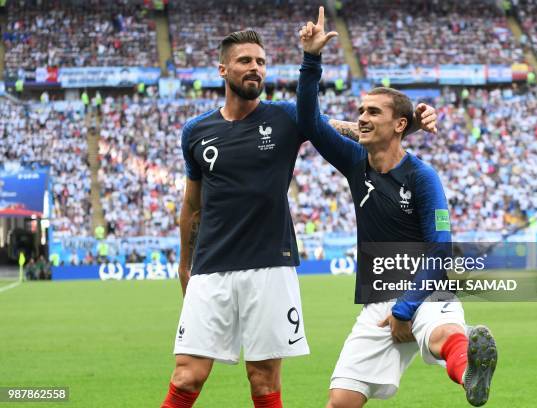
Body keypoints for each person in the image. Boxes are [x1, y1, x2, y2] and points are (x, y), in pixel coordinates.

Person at [161, 28, 437, 408]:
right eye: (245, 61)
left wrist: (410, 122)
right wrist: (184, 263)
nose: (255, 68)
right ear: (222, 69)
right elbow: (192, 205)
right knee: (187, 376)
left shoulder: (286, 117)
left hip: (270, 266)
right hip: (211, 267)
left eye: (260, 61)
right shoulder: (196, 132)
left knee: (263, 381)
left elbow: (344, 130)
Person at [297, 8, 497, 407]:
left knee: (443, 338)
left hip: (425, 293)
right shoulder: (355, 162)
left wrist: (406, 309)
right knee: (340, 401)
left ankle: (471, 367)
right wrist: (311, 59)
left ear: (400, 124)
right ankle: (464, 361)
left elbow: (440, 249)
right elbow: (309, 120)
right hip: (378, 300)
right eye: (360, 112)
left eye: (373, 112)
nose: (362, 118)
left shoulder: (423, 177)